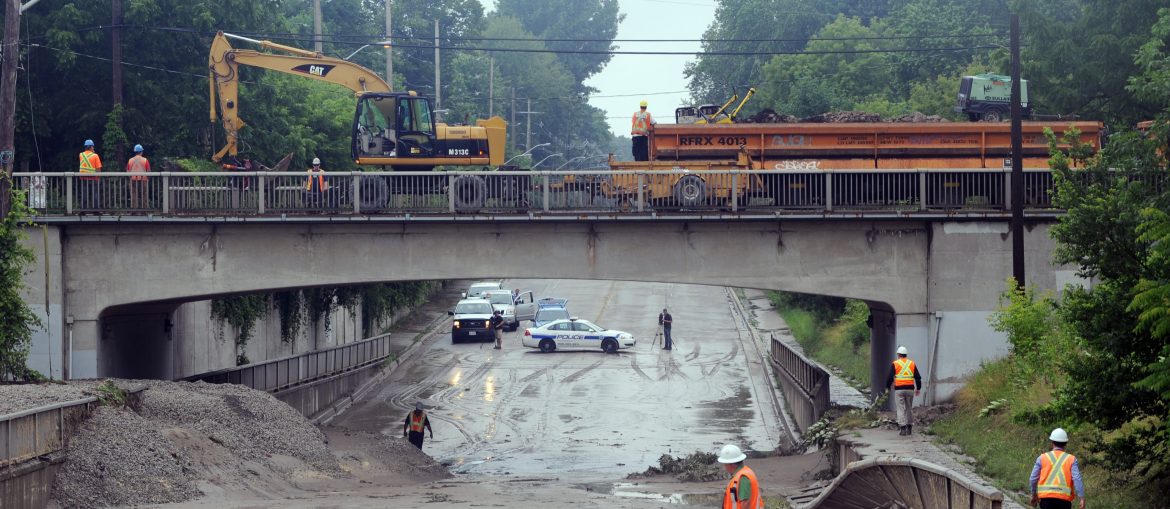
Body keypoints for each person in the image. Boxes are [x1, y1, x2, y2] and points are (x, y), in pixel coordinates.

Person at [1029, 428, 1085, 509]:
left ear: (1052, 442)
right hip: (1064, 501)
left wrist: (1034, 495)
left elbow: (1033, 479)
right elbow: (1077, 479)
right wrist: (1082, 497)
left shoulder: (1042, 458)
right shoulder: (1071, 459)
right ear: (1065, 443)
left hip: (1046, 500)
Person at [885, 346, 922, 436]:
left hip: (899, 390)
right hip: (910, 389)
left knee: (900, 409)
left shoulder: (895, 363)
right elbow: (918, 377)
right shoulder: (912, 363)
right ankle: (909, 428)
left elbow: (890, 377)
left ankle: (902, 429)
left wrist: (887, 387)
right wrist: (918, 388)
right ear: (906, 355)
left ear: (898, 354)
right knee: (909, 408)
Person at [717, 444, 763, 509]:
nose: (725, 468)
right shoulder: (744, 473)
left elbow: (745, 502)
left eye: (725, 465)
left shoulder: (743, 477)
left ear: (731, 464)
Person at [78, 139, 102, 210]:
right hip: (94, 178)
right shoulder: (95, 156)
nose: (93, 148)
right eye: (93, 147)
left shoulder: (81, 155)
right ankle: (96, 210)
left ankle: (83, 209)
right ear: (91, 147)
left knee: (84, 194)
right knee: (95, 194)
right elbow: (98, 168)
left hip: (83, 178)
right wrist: (98, 177)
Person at [126, 144, 151, 209]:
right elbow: (148, 171)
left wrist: (130, 179)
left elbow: (127, 171)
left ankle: (134, 211)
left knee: (134, 196)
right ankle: (144, 210)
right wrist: (148, 179)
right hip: (143, 180)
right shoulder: (145, 160)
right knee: (144, 196)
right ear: (141, 151)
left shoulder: (130, 160)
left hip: (133, 180)